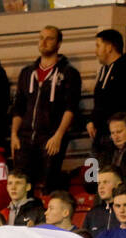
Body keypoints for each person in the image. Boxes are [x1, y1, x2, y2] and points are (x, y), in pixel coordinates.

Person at [10, 26, 81, 191]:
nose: (44, 42)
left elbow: (71, 108)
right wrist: (14, 134)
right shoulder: (27, 73)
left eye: (49, 38)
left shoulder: (69, 73)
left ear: (59, 43)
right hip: (25, 137)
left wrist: (59, 135)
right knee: (22, 186)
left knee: (49, 184)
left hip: (50, 137)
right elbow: (18, 107)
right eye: (41, 37)